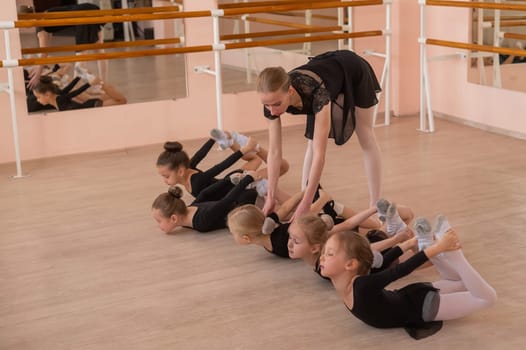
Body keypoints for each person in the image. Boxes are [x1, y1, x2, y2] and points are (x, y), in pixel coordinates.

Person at [319, 216, 497, 339]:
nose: (322, 257)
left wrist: (437, 248)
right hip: (415, 297)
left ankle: (454, 255)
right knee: (456, 282)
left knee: (487, 299)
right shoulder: (356, 282)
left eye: (330, 253)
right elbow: (382, 263)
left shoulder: (360, 285)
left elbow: (398, 271)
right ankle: (435, 245)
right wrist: (409, 243)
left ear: (350, 264)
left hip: (422, 306)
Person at [256, 50, 383, 220]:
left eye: (277, 104)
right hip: (327, 73)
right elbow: (274, 152)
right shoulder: (272, 101)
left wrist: (307, 204)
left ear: (291, 92)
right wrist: (271, 197)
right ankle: (304, 196)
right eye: (267, 105)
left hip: (352, 70)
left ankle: (375, 205)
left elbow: (320, 155)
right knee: (310, 142)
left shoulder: (318, 94)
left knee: (365, 134)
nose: (272, 110)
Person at [156, 132, 289, 203]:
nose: (164, 181)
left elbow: (221, 166)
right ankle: (234, 142)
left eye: (166, 176)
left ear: (180, 171)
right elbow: (200, 154)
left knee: (282, 166)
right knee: (263, 161)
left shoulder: (196, 180)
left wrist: (244, 150)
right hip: (233, 181)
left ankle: (248, 145)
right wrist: (212, 139)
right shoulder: (187, 168)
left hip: (240, 182)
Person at [27, 2, 108, 89]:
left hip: (82, 16)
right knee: (99, 51)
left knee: (81, 57)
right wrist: (40, 68)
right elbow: (46, 51)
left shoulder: (41, 28)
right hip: (90, 8)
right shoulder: (44, 15)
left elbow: (44, 52)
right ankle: (104, 84)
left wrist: (38, 74)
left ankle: (76, 90)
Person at [151, 171, 263, 233]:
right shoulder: (188, 210)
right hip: (237, 199)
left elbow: (226, 201)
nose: (158, 225)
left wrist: (246, 179)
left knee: (256, 186)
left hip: (246, 204)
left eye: (159, 221)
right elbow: (205, 194)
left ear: (174, 218)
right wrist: (228, 180)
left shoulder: (201, 221)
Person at [32, 72, 126, 111]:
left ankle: (103, 85)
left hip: (91, 108)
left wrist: (90, 83)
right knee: (118, 99)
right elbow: (68, 89)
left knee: (122, 101)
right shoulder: (58, 97)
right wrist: (78, 77)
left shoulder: (59, 100)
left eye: (39, 97)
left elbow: (74, 93)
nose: (38, 100)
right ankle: (103, 85)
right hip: (88, 105)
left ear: (47, 94)